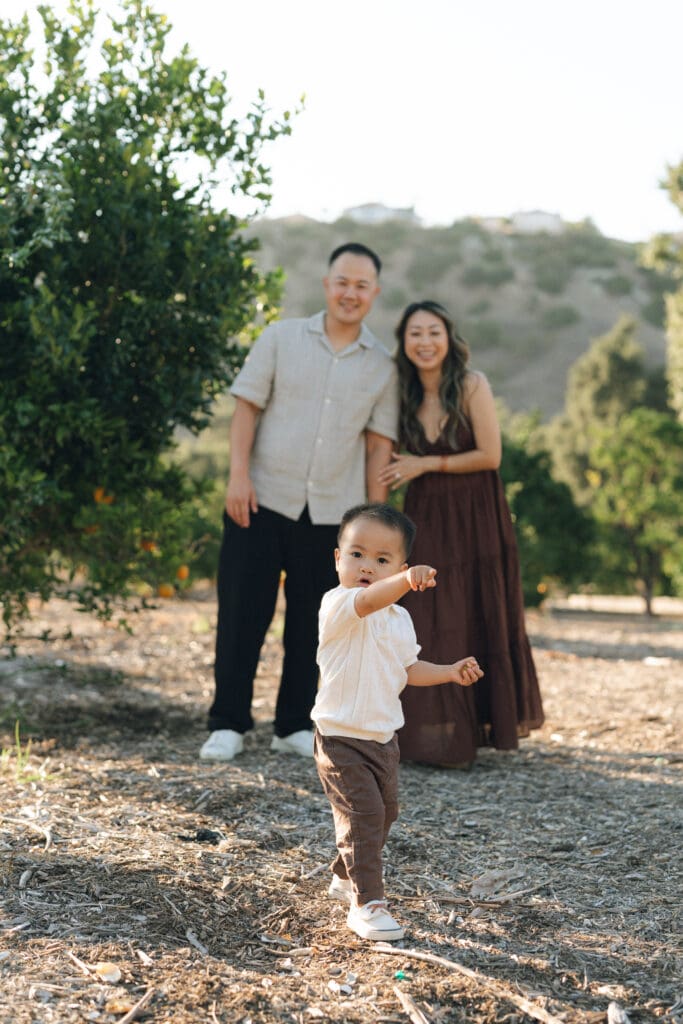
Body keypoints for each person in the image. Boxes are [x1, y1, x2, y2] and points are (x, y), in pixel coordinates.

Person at [200, 243, 398, 763]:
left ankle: (292, 723)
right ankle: (228, 722)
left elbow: (379, 446)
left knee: (315, 624)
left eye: (361, 285)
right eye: (342, 282)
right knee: (242, 614)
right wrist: (237, 477)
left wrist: (374, 533)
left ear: (374, 293)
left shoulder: (382, 366)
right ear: (327, 284)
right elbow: (246, 409)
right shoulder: (280, 337)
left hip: (334, 516)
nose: (350, 292)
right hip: (260, 498)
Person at [377, 300, 544, 767]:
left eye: (434, 332)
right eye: (415, 334)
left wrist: (425, 463)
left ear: (448, 338)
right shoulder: (402, 392)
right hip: (426, 512)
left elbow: (491, 455)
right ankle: (432, 736)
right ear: (404, 343)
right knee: (428, 611)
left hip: (476, 511)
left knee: (475, 608)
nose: (425, 342)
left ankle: (477, 732)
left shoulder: (472, 384)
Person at [312, 502, 483, 941]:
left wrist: (447, 672)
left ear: (399, 564)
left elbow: (408, 669)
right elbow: (369, 598)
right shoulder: (339, 604)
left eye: (382, 560)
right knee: (365, 812)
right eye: (357, 555)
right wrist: (404, 580)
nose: (367, 567)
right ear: (338, 559)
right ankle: (367, 904)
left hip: (383, 739)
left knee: (383, 814)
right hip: (339, 737)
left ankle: (344, 874)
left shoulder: (400, 619)